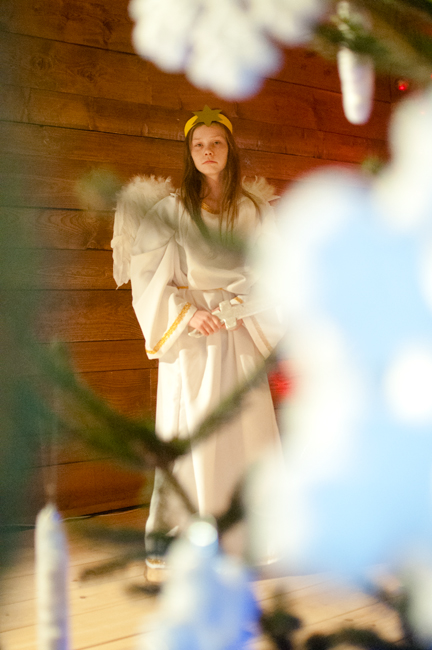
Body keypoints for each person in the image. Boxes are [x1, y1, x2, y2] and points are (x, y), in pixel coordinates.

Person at [113, 106, 284, 559]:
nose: (208, 151)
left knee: (246, 428)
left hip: (242, 329)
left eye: (217, 143)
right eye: (199, 145)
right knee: (193, 430)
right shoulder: (171, 211)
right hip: (192, 335)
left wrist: (244, 307)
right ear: (189, 154)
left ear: (230, 149)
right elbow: (146, 276)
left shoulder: (254, 211)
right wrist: (187, 314)